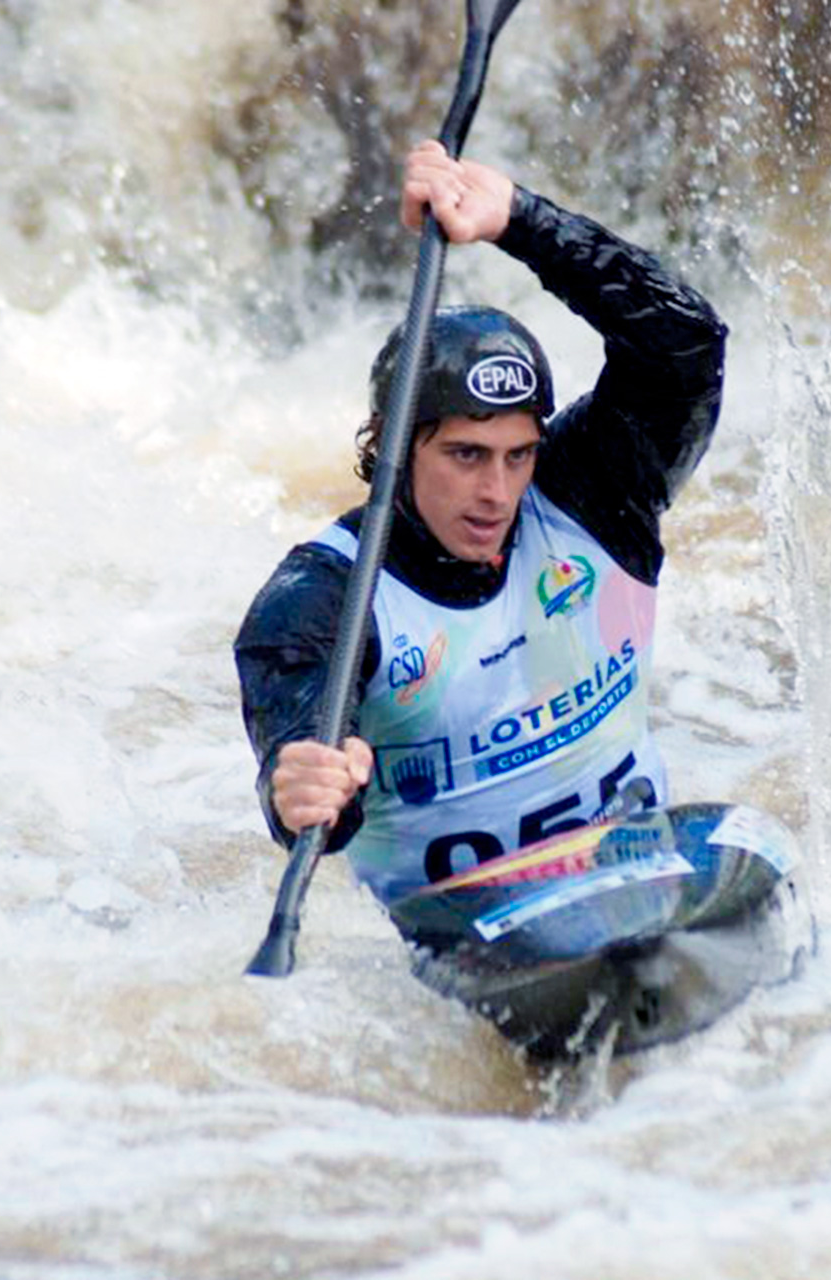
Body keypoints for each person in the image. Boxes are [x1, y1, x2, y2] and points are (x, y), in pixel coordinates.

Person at [235, 140, 727, 914]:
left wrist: (521, 220)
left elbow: (686, 345)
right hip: (466, 941)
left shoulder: (593, 497)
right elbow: (308, 775)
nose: (496, 492)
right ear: (393, 447)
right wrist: (298, 787)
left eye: (517, 454)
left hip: (636, 884)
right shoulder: (320, 598)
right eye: (465, 454)